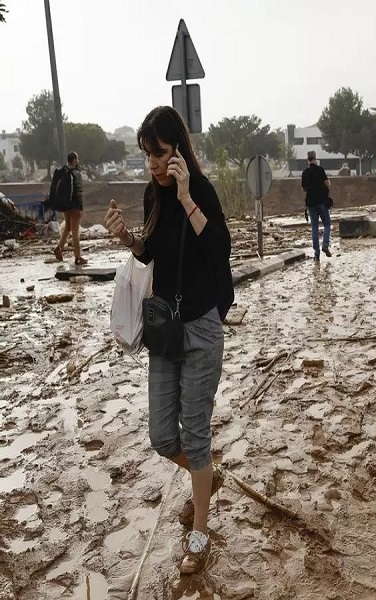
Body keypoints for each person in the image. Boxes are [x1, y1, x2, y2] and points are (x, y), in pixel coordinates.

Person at [104, 106, 234, 575]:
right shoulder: (150, 194)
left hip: (200, 328)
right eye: (147, 156)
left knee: (195, 437)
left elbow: (219, 248)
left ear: (177, 149)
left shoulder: (197, 189)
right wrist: (131, 241)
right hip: (164, 328)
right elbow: (153, 252)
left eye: (159, 154)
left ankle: (199, 534)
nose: (153, 165)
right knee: (162, 436)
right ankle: (208, 478)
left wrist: (185, 197)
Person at [52, 151, 87, 265]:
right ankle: (78, 257)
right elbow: (78, 191)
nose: (78, 161)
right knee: (75, 232)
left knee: (67, 228)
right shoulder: (76, 173)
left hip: (65, 206)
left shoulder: (64, 172)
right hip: (74, 206)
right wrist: (80, 208)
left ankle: (59, 248)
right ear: (74, 160)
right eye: (77, 159)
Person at [301, 151, 332, 260]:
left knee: (314, 227)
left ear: (307, 160)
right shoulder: (320, 170)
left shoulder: (305, 172)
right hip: (322, 202)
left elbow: (304, 188)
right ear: (315, 158)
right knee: (327, 224)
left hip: (311, 203)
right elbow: (327, 184)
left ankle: (316, 253)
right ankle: (325, 245)